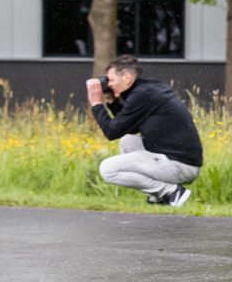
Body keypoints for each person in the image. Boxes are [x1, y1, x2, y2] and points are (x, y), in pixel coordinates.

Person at [85, 54, 203, 207]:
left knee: (107, 169)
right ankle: (157, 199)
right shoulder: (147, 89)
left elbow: (111, 132)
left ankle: (170, 192)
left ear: (127, 77)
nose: (109, 84)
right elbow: (129, 127)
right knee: (128, 141)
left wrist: (96, 103)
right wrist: (111, 100)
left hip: (180, 166)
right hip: (180, 161)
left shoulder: (142, 95)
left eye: (111, 80)